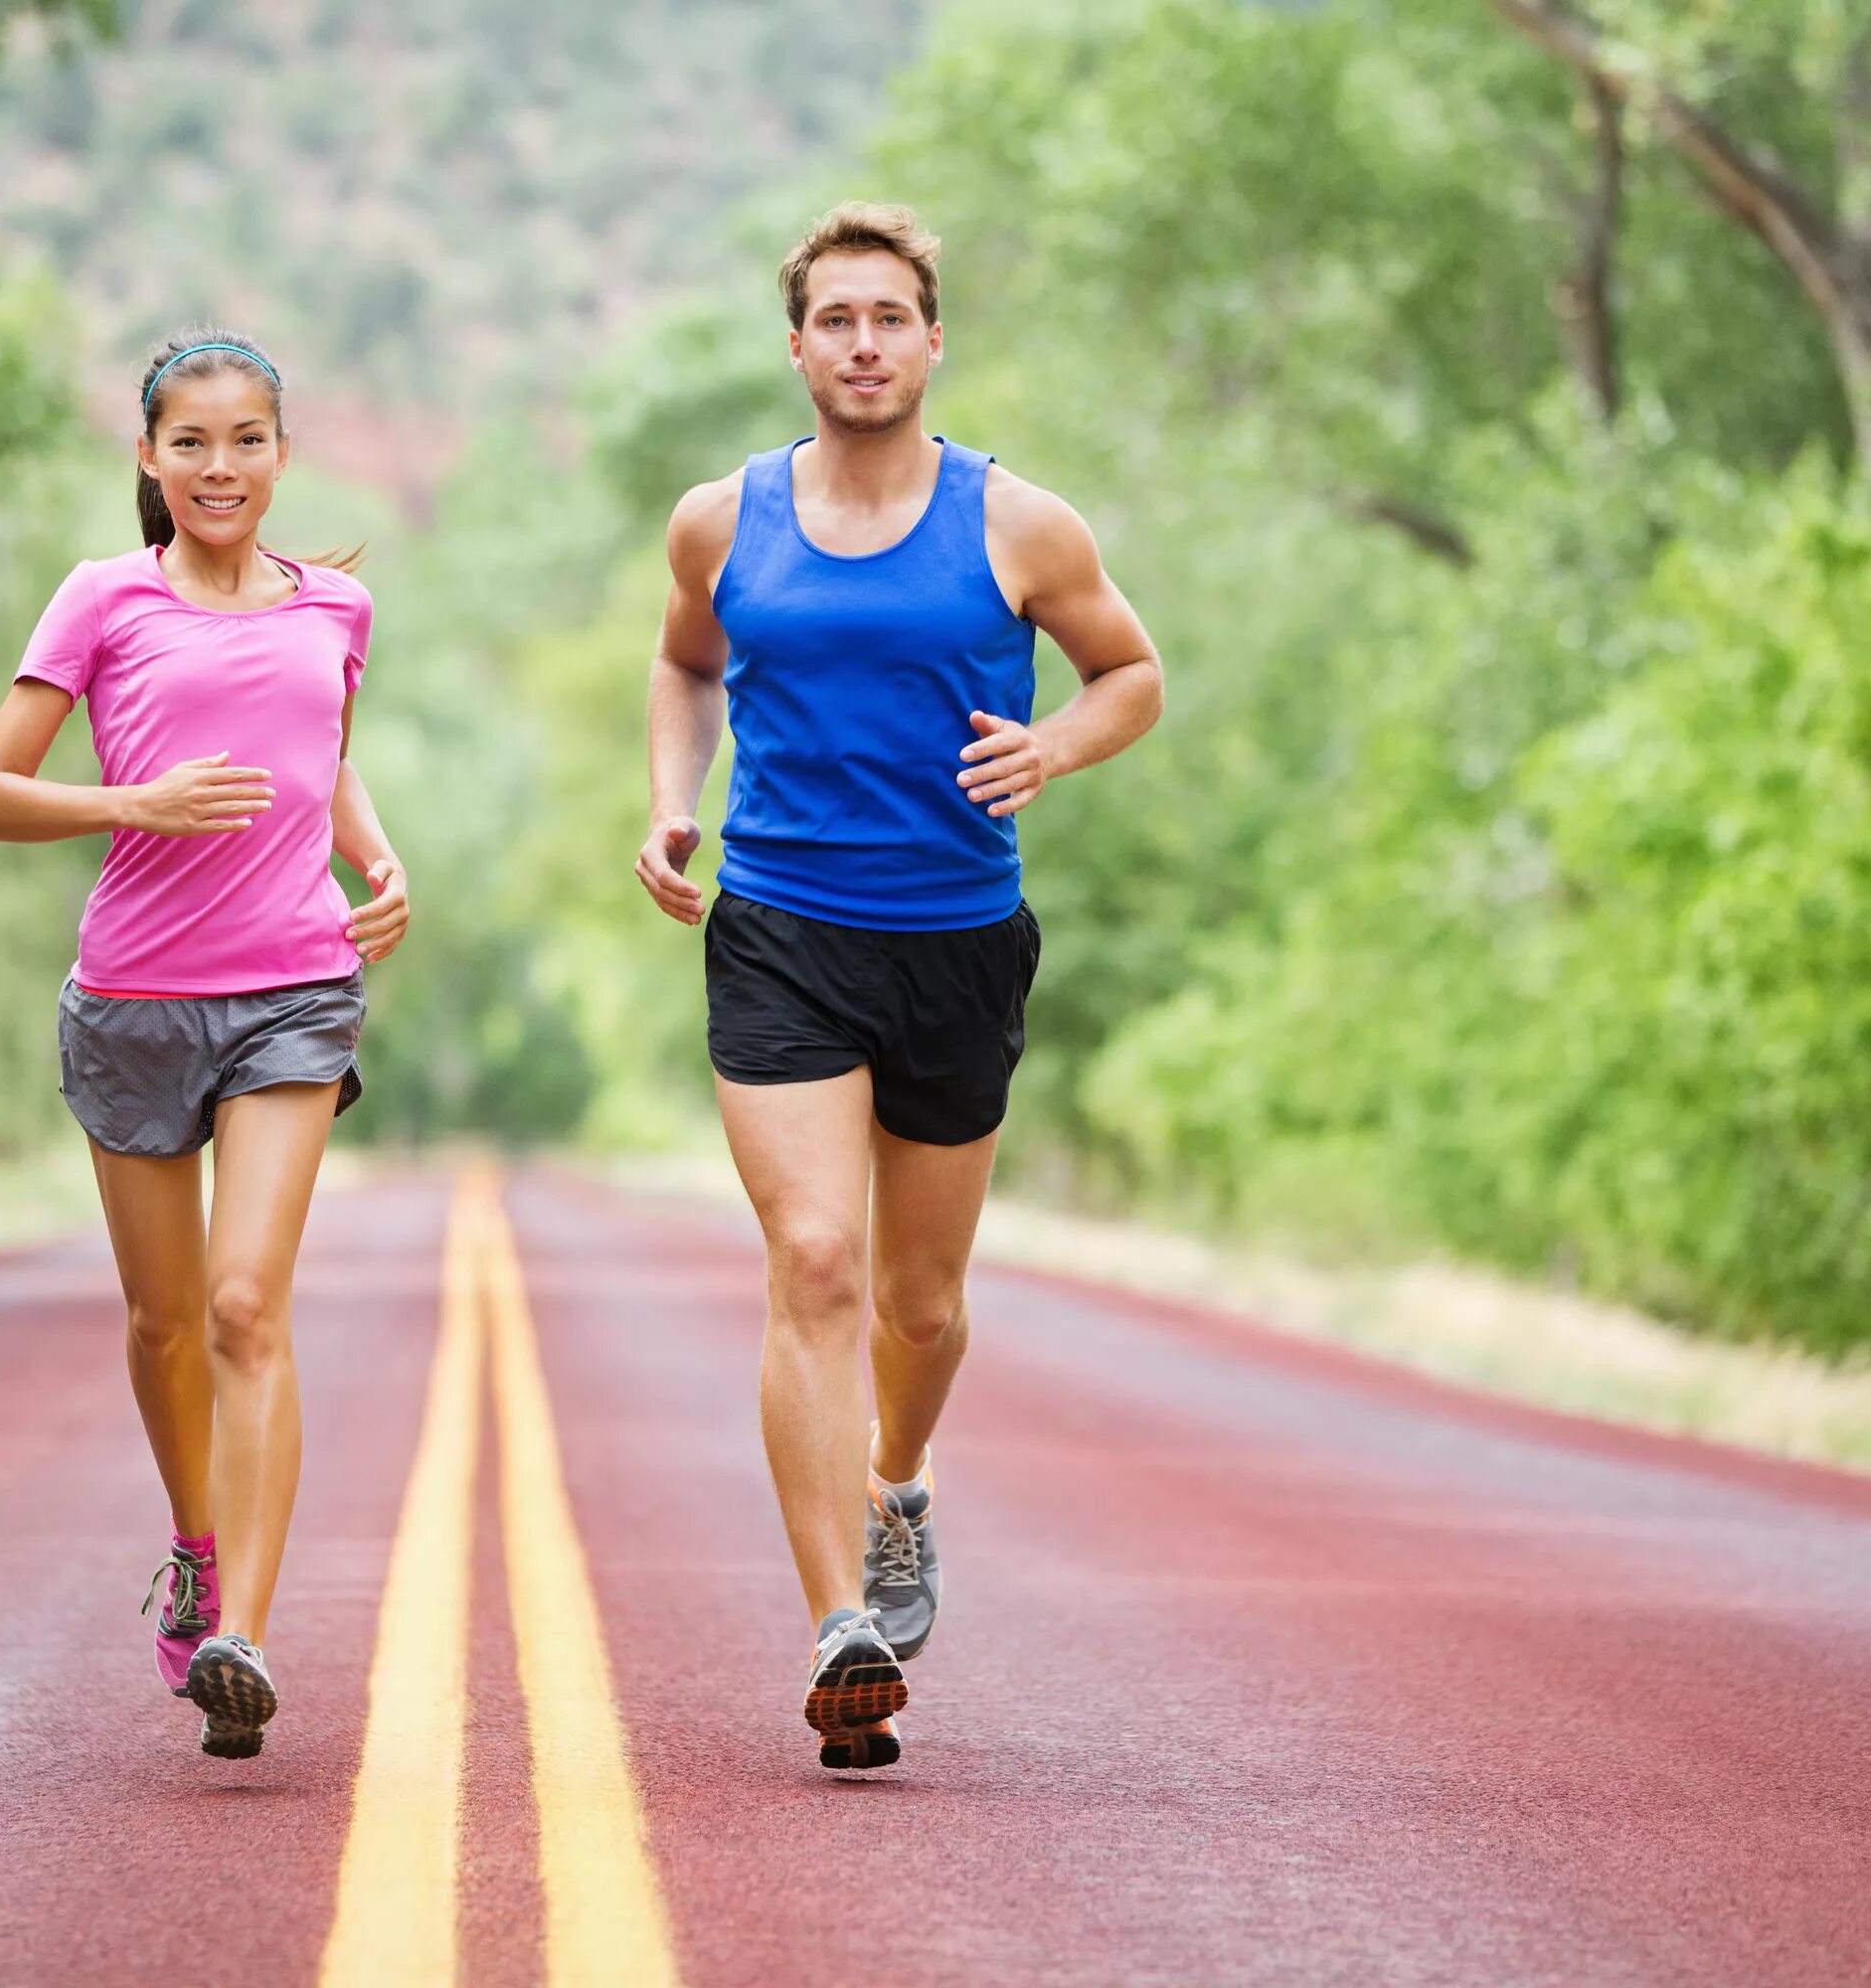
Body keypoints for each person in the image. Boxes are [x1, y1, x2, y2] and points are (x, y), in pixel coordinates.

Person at [635, 205, 1164, 1770]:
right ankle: (835, 1623)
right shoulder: (722, 522)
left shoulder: (1020, 526)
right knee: (814, 1260)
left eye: (890, 318)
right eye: (836, 320)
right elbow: (686, 664)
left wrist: (1052, 745)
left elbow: (1130, 674)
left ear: (933, 342)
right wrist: (675, 794)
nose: (863, 344)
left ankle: (900, 1489)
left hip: (956, 939)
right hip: (784, 926)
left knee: (919, 1304)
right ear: (795, 346)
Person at [0, 327, 409, 1758]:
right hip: (135, 1001)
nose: (223, 467)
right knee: (162, 1325)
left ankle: (245, 1638)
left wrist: (376, 860)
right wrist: (132, 807)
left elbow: (321, 756)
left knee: (241, 1308)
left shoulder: (332, 606)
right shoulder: (103, 601)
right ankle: (195, 1543)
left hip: (291, 989)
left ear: (283, 452)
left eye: (250, 439)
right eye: (193, 443)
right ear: (150, 458)